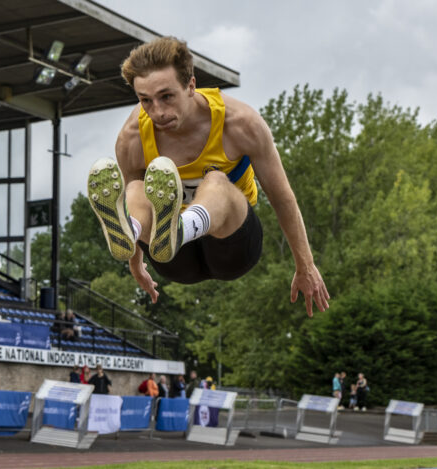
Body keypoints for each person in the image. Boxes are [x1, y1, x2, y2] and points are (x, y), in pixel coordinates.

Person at [86, 37, 329, 316]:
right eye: (145, 101)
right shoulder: (132, 138)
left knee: (215, 181)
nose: (158, 112)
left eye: (166, 96)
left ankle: (181, 228)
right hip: (173, 259)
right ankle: (134, 229)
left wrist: (305, 265)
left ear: (191, 85)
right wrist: (135, 264)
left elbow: (281, 196)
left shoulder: (239, 123)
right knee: (136, 188)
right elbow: (136, 200)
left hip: (232, 246)